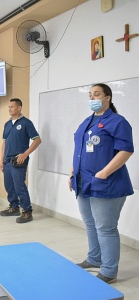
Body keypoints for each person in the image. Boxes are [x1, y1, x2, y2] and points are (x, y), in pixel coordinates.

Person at [69, 83, 133, 284]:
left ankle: (109, 270)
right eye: (90, 95)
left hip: (107, 184)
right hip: (83, 182)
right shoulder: (87, 122)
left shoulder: (117, 121)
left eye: (96, 94)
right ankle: (94, 258)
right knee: (90, 224)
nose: (92, 98)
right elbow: (79, 148)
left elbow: (126, 150)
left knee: (105, 227)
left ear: (107, 98)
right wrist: (72, 172)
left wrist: (104, 173)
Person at [0, 98, 41, 223]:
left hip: (18, 161)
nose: (10, 109)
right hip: (7, 161)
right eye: (9, 107)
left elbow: (37, 140)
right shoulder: (7, 124)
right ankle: (14, 207)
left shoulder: (26, 123)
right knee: (9, 185)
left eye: (12, 106)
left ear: (19, 108)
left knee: (19, 186)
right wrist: (1, 160)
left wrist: (25, 154)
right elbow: (4, 143)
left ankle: (27, 211)